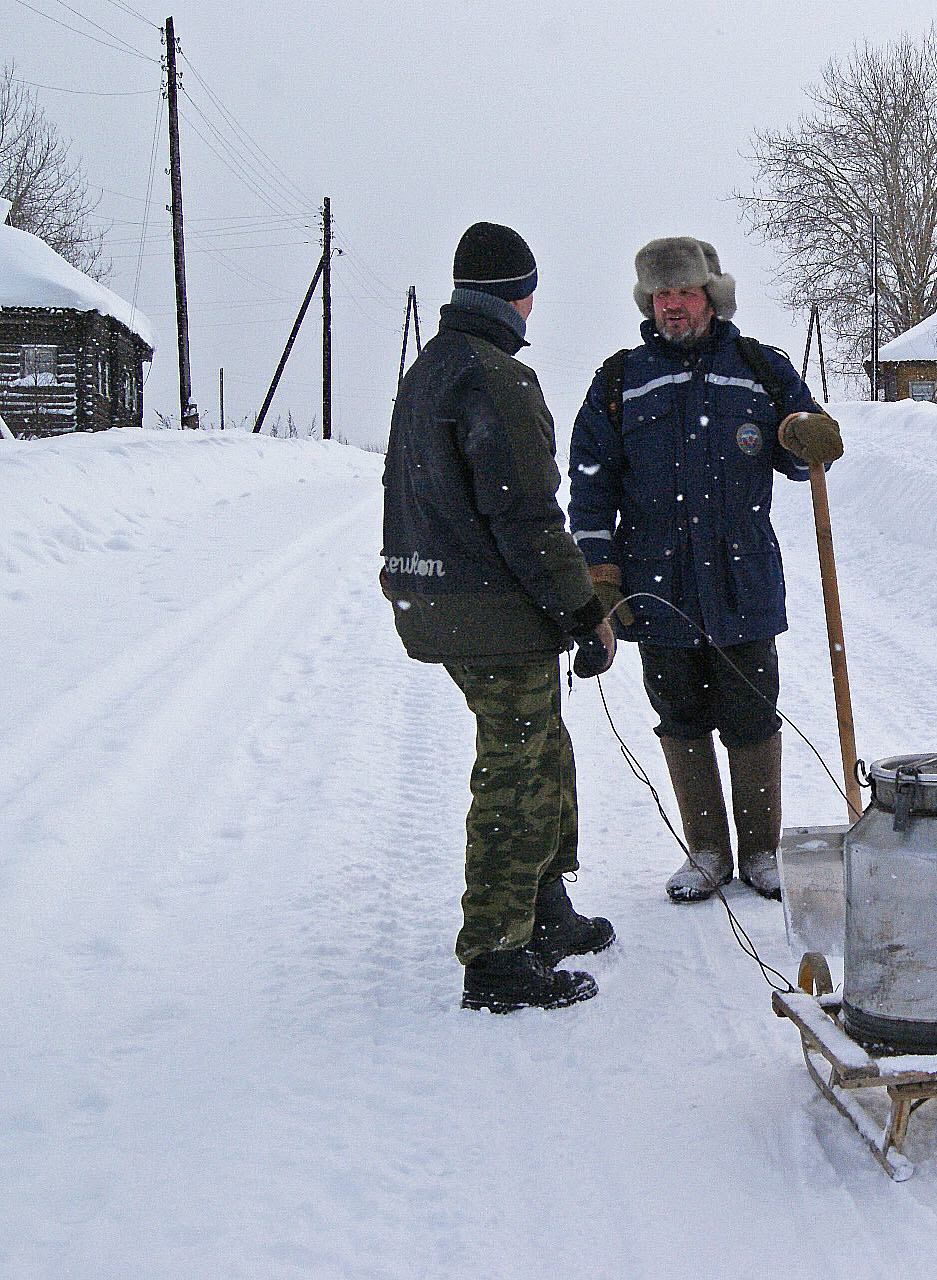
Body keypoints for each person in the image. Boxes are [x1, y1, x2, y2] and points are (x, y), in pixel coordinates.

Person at [381, 221, 617, 1013]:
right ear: (521, 296)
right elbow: (527, 519)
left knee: (543, 746)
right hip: (491, 613)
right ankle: (497, 957)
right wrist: (584, 610)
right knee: (517, 773)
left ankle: (546, 909)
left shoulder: (428, 372)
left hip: (437, 601)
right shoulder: (497, 380)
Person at [568, 236, 842, 903]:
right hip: (656, 584)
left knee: (753, 714)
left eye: (684, 293)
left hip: (742, 578)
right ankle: (708, 851)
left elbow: (808, 443)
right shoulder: (620, 381)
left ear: (711, 296)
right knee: (679, 715)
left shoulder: (758, 367)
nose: (672, 307)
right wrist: (600, 574)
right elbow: (590, 485)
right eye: (661, 295)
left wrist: (811, 435)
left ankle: (761, 854)